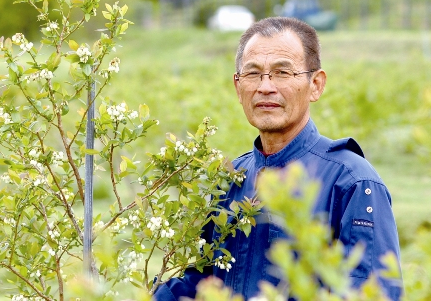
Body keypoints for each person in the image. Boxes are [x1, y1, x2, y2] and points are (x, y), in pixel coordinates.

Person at [153, 17, 402, 300]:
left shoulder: (352, 182)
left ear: (316, 85)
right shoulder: (228, 181)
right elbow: (202, 280)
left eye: (282, 73)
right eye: (253, 74)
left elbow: (372, 292)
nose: (265, 87)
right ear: (238, 87)